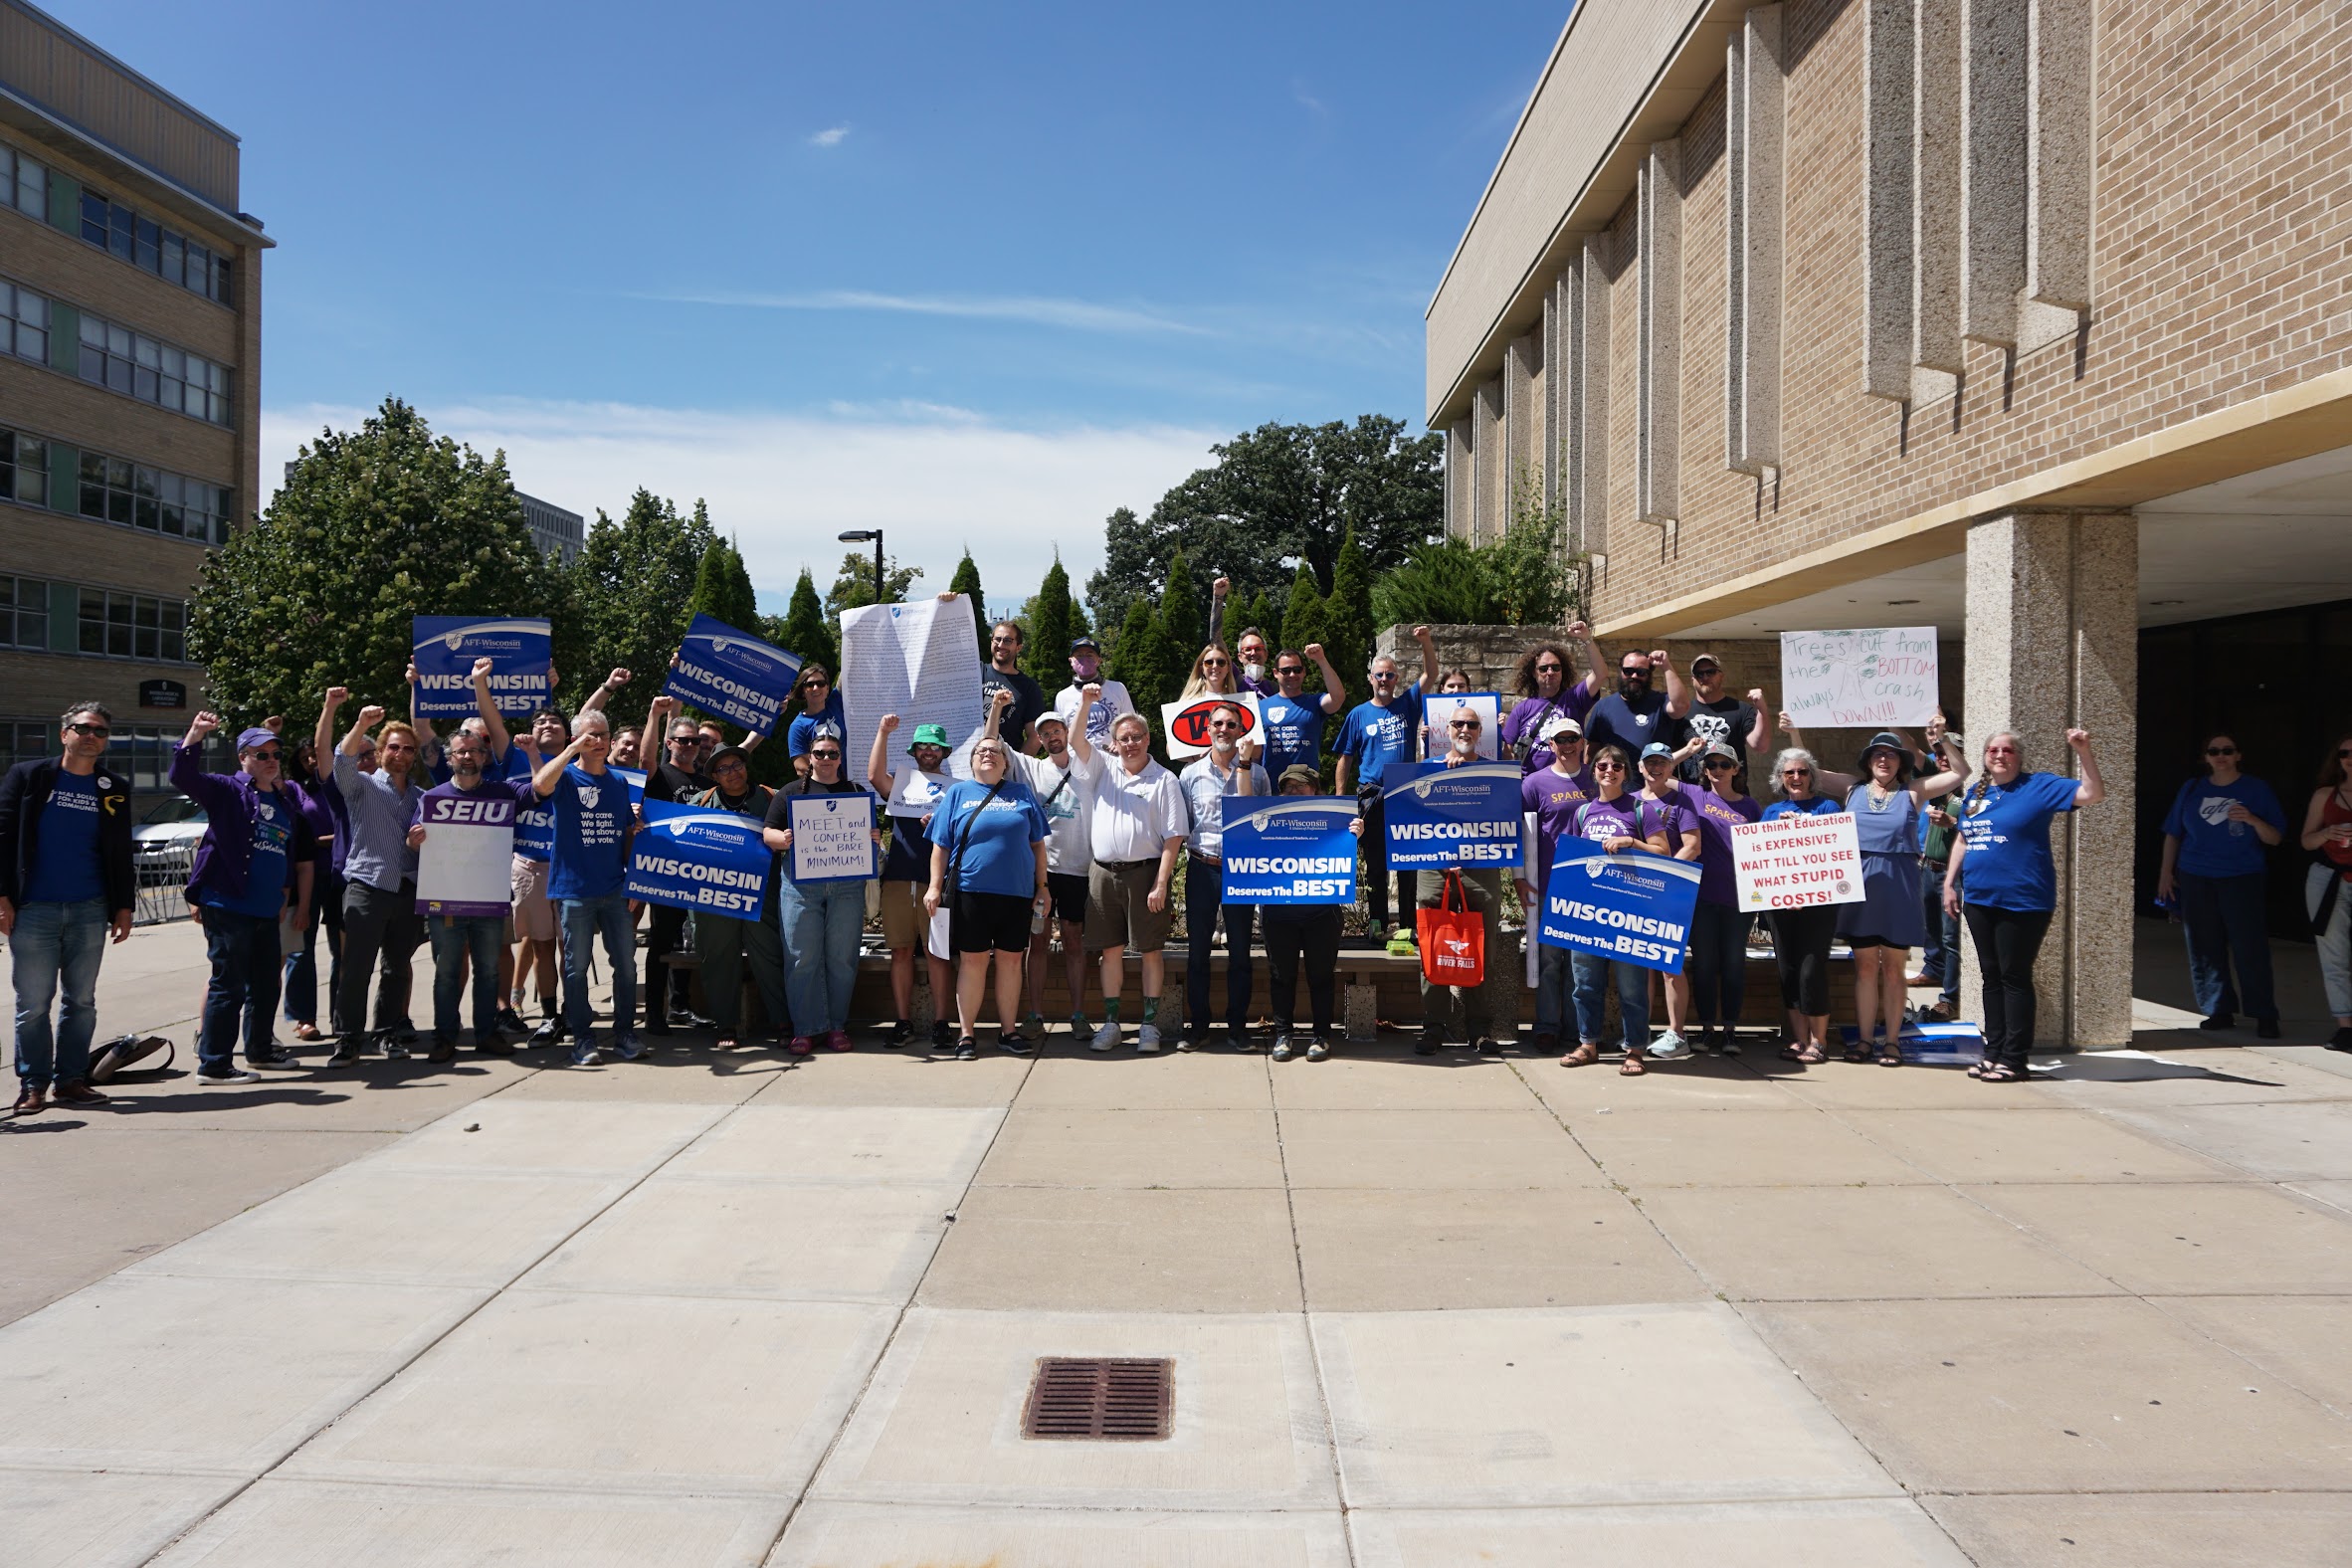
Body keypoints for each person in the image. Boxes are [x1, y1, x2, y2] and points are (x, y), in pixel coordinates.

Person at [1942, 728, 2106, 1082]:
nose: (1999, 755)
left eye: (2008, 750)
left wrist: (2084, 752)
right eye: (1992, 750)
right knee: (1991, 977)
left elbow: (2093, 793)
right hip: (1980, 899)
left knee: (2014, 976)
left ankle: (2015, 1060)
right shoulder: (1977, 792)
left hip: (2023, 900)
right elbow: (1964, 838)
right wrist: (1949, 884)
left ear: (2019, 757)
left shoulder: (2039, 787)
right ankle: (1994, 1051)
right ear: (1985, 756)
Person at [1, 701, 134, 1112]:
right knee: (34, 1004)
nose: (91, 736)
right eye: (83, 729)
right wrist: (2, 897)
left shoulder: (113, 787)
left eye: (99, 731)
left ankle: (71, 1080)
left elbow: (119, 852)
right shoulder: (29, 777)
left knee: (81, 1001)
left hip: (89, 908)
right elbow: (3, 836)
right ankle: (34, 1084)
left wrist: (124, 907)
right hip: (34, 908)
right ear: (65, 734)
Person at [1816, 721, 1971, 1064]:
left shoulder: (1913, 791)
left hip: (1899, 888)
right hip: (1861, 887)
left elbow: (1961, 772)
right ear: (1868, 760)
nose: (1884, 760)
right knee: (1866, 967)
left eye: (1891, 755)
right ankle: (1865, 1040)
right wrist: (1794, 731)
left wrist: (1940, 737)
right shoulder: (1852, 788)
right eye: (1877, 754)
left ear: (1901, 761)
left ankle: (1893, 1042)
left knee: (1893, 968)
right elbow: (1811, 771)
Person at [173, 712, 315, 1085]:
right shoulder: (226, 790)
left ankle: (260, 1051)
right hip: (228, 904)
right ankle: (214, 1064)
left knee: (267, 984)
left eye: (275, 755)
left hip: (266, 908)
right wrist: (196, 735)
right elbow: (183, 777)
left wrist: (284, 895)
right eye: (261, 754)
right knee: (229, 984)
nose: (270, 760)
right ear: (243, 759)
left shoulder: (284, 804)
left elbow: (281, 854)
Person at [405, 728, 527, 1062]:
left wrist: (533, 753)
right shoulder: (432, 798)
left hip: (488, 899)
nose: (468, 756)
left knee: (488, 970)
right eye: (461, 752)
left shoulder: (502, 794)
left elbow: (542, 789)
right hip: (445, 901)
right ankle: (444, 1037)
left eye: (475, 751)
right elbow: (414, 843)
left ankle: (487, 1034)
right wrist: (413, 841)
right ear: (450, 758)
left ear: (484, 757)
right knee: (446, 972)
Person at [1072, 702, 1188, 1052]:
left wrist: (1162, 882)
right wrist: (1087, 703)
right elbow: (1076, 740)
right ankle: (1111, 1024)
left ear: (1148, 739)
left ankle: (1149, 1025)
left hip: (1145, 873)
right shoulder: (1103, 769)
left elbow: (1173, 836)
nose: (1131, 743)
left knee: (1150, 951)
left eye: (1137, 737)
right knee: (1111, 952)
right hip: (1103, 873)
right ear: (1114, 742)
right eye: (1124, 738)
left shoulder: (1164, 779)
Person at [925, 732, 1050, 1059]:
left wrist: (1043, 887)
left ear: (1006, 762)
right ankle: (967, 1035)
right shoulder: (958, 793)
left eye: (995, 750)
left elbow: (1038, 845)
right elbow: (940, 845)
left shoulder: (1021, 793)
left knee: (1011, 962)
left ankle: (1008, 1032)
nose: (988, 754)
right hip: (971, 892)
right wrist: (934, 886)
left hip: (1017, 893)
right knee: (972, 961)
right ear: (972, 761)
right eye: (981, 750)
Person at [320, 690, 427, 1067]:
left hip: (406, 889)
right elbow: (342, 761)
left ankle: (386, 1033)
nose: (401, 754)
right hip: (366, 886)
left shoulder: (423, 798)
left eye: (408, 749)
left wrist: (420, 845)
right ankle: (348, 1038)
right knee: (357, 968)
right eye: (394, 747)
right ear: (380, 751)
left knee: (397, 968)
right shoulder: (362, 786)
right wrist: (362, 724)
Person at [532, 711, 643, 1066]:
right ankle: (582, 1038)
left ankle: (625, 1034)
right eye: (589, 736)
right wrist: (570, 750)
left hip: (614, 890)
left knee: (625, 966)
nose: (598, 741)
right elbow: (539, 787)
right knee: (576, 969)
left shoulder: (619, 783)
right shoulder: (566, 777)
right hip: (574, 890)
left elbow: (626, 836)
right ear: (577, 740)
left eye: (603, 735)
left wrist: (635, 882)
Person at [2158, 733, 2286, 1038]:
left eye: (2227, 751)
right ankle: (2218, 1009)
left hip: (2242, 876)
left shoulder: (2255, 789)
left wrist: (2253, 820)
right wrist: (2166, 873)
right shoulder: (2192, 789)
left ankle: (2263, 1013)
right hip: (2195, 875)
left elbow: (2275, 837)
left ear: (2238, 755)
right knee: (2203, 946)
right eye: (2213, 751)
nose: (2220, 756)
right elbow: (2173, 833)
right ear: (2206, 757)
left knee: (2249, 947)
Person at [1556, 743, 1670, 1074]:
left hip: (1630, 912)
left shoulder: (1640, 809)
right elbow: (1573, 860)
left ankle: (1634, 1049)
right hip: (1588, 912)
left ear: (1625, 772)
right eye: (1602, 766)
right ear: (1594, 771)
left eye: (1616, 767)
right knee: (1585, 983)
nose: (1609, 771)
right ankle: (1587, 1044)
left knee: (1632, 987)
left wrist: (1631, 842)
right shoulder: (1582, 812)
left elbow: (1663, 851)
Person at [1412, 703, 1511, 1057]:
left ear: (1479, 730)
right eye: (1458, 724)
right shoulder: (1427, 771)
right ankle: (1434, 1026)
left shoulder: (1494, 773)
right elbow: (1412, 822)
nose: (1464, 730)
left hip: (1481, 868)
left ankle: (1480, 1030)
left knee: (1484, 947)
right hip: (1433, 869)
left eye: (1471, 724)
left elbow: (1505, 821)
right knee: (1432, 943)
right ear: (1447, 730)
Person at [1333, 624, 1441, 947]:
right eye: (1379, 675)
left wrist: (1425, 641)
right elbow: (1345, 759)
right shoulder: (1358, 714)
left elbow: (1431, 674)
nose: (1384, 680)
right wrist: (1341, 799)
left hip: (1405, 794)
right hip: (1371, 797)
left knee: (1408, 867)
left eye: (1390, 675)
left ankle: (1407, 927)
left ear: (1396, 680)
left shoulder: (1408, 704)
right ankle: (1377, 925)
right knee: (1377, 868)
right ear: (1370, 678)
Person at [687, 745, 790, 1051]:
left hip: (763, 894)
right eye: (724, 769)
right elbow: (678, 842)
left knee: (770, 957)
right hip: (714, 898)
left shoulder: (771, 798)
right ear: (714, 776)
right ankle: (726, 1023)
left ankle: (783, 1021)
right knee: (718, 959)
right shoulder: (701, 803)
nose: (732, 772)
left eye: (737, 765)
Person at [1179, 702, 1269, 1050]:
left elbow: (1261, 821)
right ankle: (1199, 1026)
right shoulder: (1189, 775)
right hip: (1202, 867)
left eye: (1231, 724)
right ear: (1207, 729)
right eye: (1218, 723)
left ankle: (1237, 1027)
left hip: (1242, 871)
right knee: (1198, 953)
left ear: (1240, 731)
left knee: (1241, 955)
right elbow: (1184, 825)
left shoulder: (1257, 774)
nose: (1224, 730)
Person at [868, 714, 959, 1049]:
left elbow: (962, 835)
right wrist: (883, 732)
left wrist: (940, 824)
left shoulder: (956, 791)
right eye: (923, 745)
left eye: (935, 745)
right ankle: (903, 1021)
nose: (929, 751)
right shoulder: (903, 782)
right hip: (898, 878)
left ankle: (941, 1023)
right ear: (915, 750)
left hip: (936, 882)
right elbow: (874, 776)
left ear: (944, 751)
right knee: (901, 952)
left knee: (937, 954)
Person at [1003, 701, 1092, 1040]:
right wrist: (997, 710)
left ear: (1067, 733)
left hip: (1078, 868)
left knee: (1073, 942)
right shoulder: (1031, 768)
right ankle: (1035, 1014)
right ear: (1038, 739)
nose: (1052, 736)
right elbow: (992, 745)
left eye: (1057, 730)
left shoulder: (1088, 766)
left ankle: (1079, 1015)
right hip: (1042, 871)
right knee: (1036, 942)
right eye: (1045, 733)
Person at [1262, 764, 1359, 1061]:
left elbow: (1348, 855)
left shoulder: (1335, 820)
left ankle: (1321, 1036)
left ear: (1316, 791)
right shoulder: (1266, 822)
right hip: (1278, 913)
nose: (1292, 791)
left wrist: (1356, 834)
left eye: (1299, 786)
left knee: (1321, 977)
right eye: (1287, 787)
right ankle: (1284, 1035)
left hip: (1321, 913)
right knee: (1281, 977)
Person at [1758, 745, 1846, 1065]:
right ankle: (1799, 1039)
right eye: (1789, 772)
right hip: (1781, 905)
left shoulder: (1828, 807)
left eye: (1802, 772)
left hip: (1818, 906)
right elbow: (1762, 859)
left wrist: (1803, 826)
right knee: (1788, 971)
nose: (1796, 777)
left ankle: (1819, 1040)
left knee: (1811, 971)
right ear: (1780, 778)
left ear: (1812, 776)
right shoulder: (1770, 812)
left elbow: (1836, 848)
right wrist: (1776, 829)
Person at [1515, 715, 1595, 1055]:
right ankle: (1547, 1025)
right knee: (1550, 961)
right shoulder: (1534, 783)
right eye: (1560, 740)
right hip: (1548, 883)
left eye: (1572, 739)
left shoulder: (1599, 779)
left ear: (1582, 744)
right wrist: (1519, 878)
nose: (1566, 745)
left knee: (1581, 964)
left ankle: (1578, 1030)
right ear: (1551, 745)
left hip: (1590, 886)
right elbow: (1519, 833)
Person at [1679, 739, 1764, 1054]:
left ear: (1736, 770)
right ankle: (1705, 1030)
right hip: (1701, 897)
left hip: (1739, 900)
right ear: (1704, 769)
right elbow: (1655, 774)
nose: (1717, 770)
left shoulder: (1750, 807)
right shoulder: (1693, 794)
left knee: (1732, 964)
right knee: (1702, 964)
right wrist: (1687, 752)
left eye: (1724, 765)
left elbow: (1765, 850)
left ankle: (1730, 1030)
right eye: (1711, 764)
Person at [640, 695, 711, 1038]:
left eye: (695, 741)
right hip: (664, 874)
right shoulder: (659, 774)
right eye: (682, 740)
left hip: (698, 875)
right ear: (669, 743)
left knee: (690, 942)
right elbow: (644, 757)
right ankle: (655, 1013)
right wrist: (656, 715)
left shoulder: (704, 782)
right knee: (662, 943)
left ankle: (681, 1006)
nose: (689, 746)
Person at [1635, 741, 1705, 1057]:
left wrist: (1665, 877)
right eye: (1650, 762)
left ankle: (1677, 1034)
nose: (1655, 767)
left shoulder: (1682, 803)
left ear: (1671, 767)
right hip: (1633, 894)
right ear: (1640, 767)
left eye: (1662, 762)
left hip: (1669, 892)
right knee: (1640, 966)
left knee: (1668, 966)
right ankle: (1638, 1030)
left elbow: (1693, 845)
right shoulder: (1629, 802)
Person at [279, 736, 344, 1045]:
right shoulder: (294, 789)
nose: (311, 762)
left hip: (339, 876)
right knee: (299, 949)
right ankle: (303, 1018)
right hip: (306, 876)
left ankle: (341, 1016)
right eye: (305, 757)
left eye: (315, 756)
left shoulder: (339, 785)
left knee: (342, 951)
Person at [2298, 736, 2352, 1053]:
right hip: (2328, 878)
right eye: (2344, 753)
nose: (2349, 758)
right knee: (2334, 955)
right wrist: (2327, 833)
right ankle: (2345, 1027)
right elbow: (2306, 840)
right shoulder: (2325, 795)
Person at [1501, 625, 1604, 772]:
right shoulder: (1523, 709)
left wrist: (1587, 639)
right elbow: (1507, 748)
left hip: (1569, 784)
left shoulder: (1575, 699)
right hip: (1532, 785)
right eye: (1543, 668)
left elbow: (1600, 674)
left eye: (1556, 667)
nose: (1550, 672)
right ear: (1534, 673)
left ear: (1563, 671)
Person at [1909, 764, 1966, 1023]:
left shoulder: (1964, 801)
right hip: (1928, 869)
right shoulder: (1938, 799)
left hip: (1948, 875)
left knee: (1950, 937)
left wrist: (1952, 822)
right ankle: (1936, 972)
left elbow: (1972, 830)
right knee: (1931, 930)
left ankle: (1950, 999)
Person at [1674, 655, 1771, 784]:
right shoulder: (1682, 713)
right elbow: (1669, 758)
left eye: (1711, 672)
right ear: (1693, 679)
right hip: (1693, 798)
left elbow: (1761, 746)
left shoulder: (1741, 709)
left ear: (1721, 675)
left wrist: (1762, 710)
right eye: (1699, 674)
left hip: (1732, 798)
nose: (1705, 677)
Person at [1582, 645, 1691, 757]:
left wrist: (1666, 666)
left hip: (1653, 774)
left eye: (1641, 672)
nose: (1634, 676)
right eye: (1628, 671)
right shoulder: (1603, 706)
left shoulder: (1661, 702)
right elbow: (1591, 751)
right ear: (1620, 671)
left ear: (1649, 674)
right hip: (1613, 773)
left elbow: (1681, 707)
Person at [1258, 644, 1346, 783]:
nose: (1292, 675)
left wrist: (1321, 660)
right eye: (1285, 671)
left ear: (1304, 672)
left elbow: (1338, 697)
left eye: (1297, 670)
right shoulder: (1261, 706)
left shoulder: (1314, 703)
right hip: (1271, 788)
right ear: (1275, 673)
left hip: (1307, 787)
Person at [1053, 635, 1135, 748]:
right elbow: (1060, 734)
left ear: (1099, 661)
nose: (1084, 659)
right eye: (1079, 655)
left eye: (1089, 655)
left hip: (1114, 760)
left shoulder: (1118, 689)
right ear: (1071, 661)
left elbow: (1131, 724)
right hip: (1078, 762)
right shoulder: (1063, 697)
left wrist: (1120, 742)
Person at [981, 621, 1048, 748]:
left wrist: (1017, 767)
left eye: (1007, 640)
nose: (1001, 645)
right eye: (997, 639)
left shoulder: (1028, 687)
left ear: (1018, 647)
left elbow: (1034, 736)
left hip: (1006, 762)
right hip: (966, 761)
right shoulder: (976, 672)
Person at [785, 664, 847, 777]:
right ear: (803, 691)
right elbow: (800, 767)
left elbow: (846, 673)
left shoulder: (834, 704)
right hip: (823, 790)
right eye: (809, 685)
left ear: (827, 688)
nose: (816, 688)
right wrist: (829, 782)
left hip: (850, 782)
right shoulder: (798, 726)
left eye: (821, 683)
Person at [1419, 671, 1481, 760]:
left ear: (1468, 689)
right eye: (1451, 686)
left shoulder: (1481, 709)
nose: (1456, 690)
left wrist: (1502, 728)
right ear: (1442, 688)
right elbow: (1425, 767)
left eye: (1461, 686)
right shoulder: (1429, 720)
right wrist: (1424, 746)